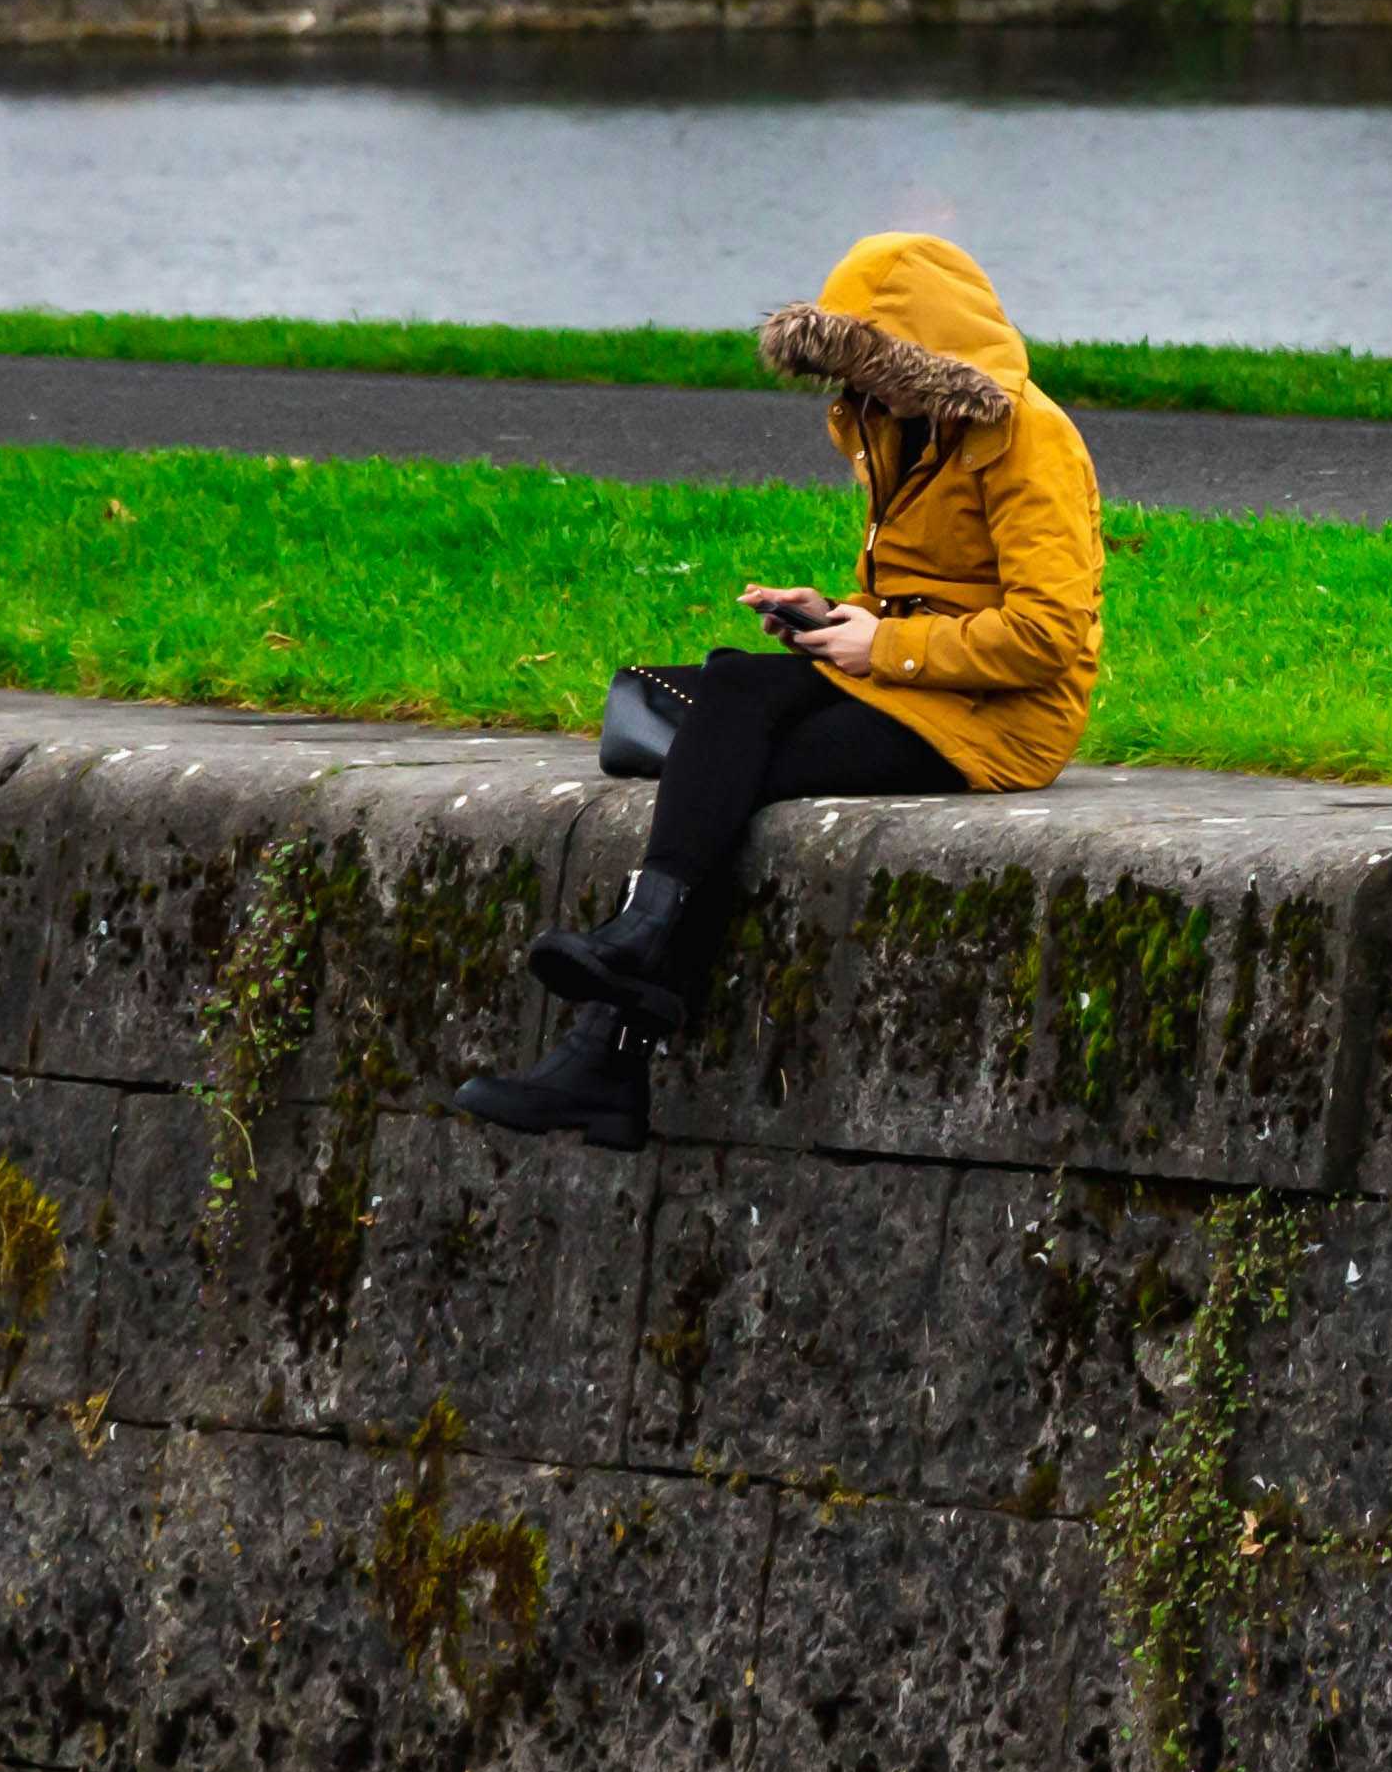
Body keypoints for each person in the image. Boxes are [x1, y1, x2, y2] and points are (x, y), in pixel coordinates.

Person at [460, 231, 1105, 1147]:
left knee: (734, 754)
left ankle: (615, 1025)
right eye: (847, 365)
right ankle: (626, 991)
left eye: (872, 362)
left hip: (1002, 720)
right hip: (917, 679)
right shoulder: (893, 421)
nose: (860, 387)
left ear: (926, 351)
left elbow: (1049, 637)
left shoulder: (1029, 437)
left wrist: (887, 644)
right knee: (733, 689)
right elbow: (921, 589)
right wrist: (837, 612)